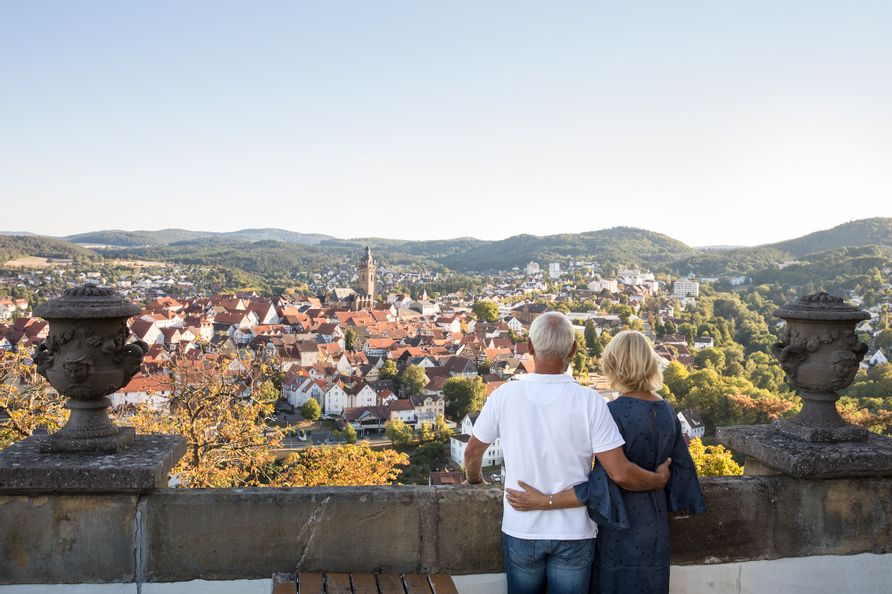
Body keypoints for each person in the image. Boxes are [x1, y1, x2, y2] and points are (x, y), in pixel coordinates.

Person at [464, 313, 671, 594]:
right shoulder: (590, 401)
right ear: (572, 350)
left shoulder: (504, 395)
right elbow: (620, 472)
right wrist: (657, 480)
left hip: (522, 526)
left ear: (529, 347)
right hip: (574, 531)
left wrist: (475, 480)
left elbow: (474, 451)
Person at [506, 330, 706, 594]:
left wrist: (545, 501)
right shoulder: (668, 411)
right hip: (656, 524)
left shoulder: (612, 412)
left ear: (613, 365)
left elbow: (604, 483)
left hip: (619, 523)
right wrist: (658, 479)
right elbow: (683, 474)